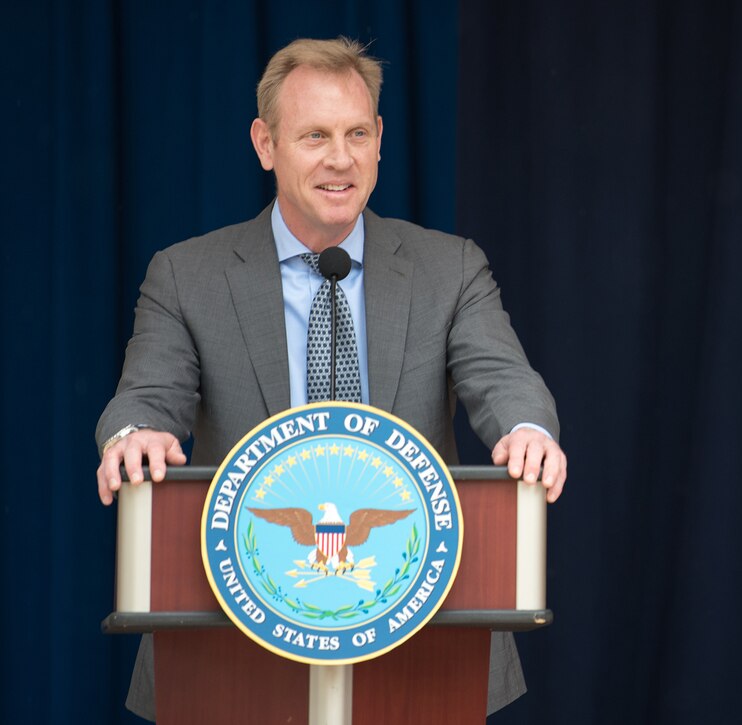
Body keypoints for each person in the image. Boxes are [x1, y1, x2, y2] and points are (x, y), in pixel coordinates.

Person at [96, 37, 566, 720]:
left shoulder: (450, 269)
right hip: (233, 649)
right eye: (315, 135)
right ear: (265, 144)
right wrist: (134, 435)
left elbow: (505, 379)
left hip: (418, 645)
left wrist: (528, 430)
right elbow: (146, 397)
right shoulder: (187, 275)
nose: (340, 158)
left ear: (379, 139)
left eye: (355, 133)